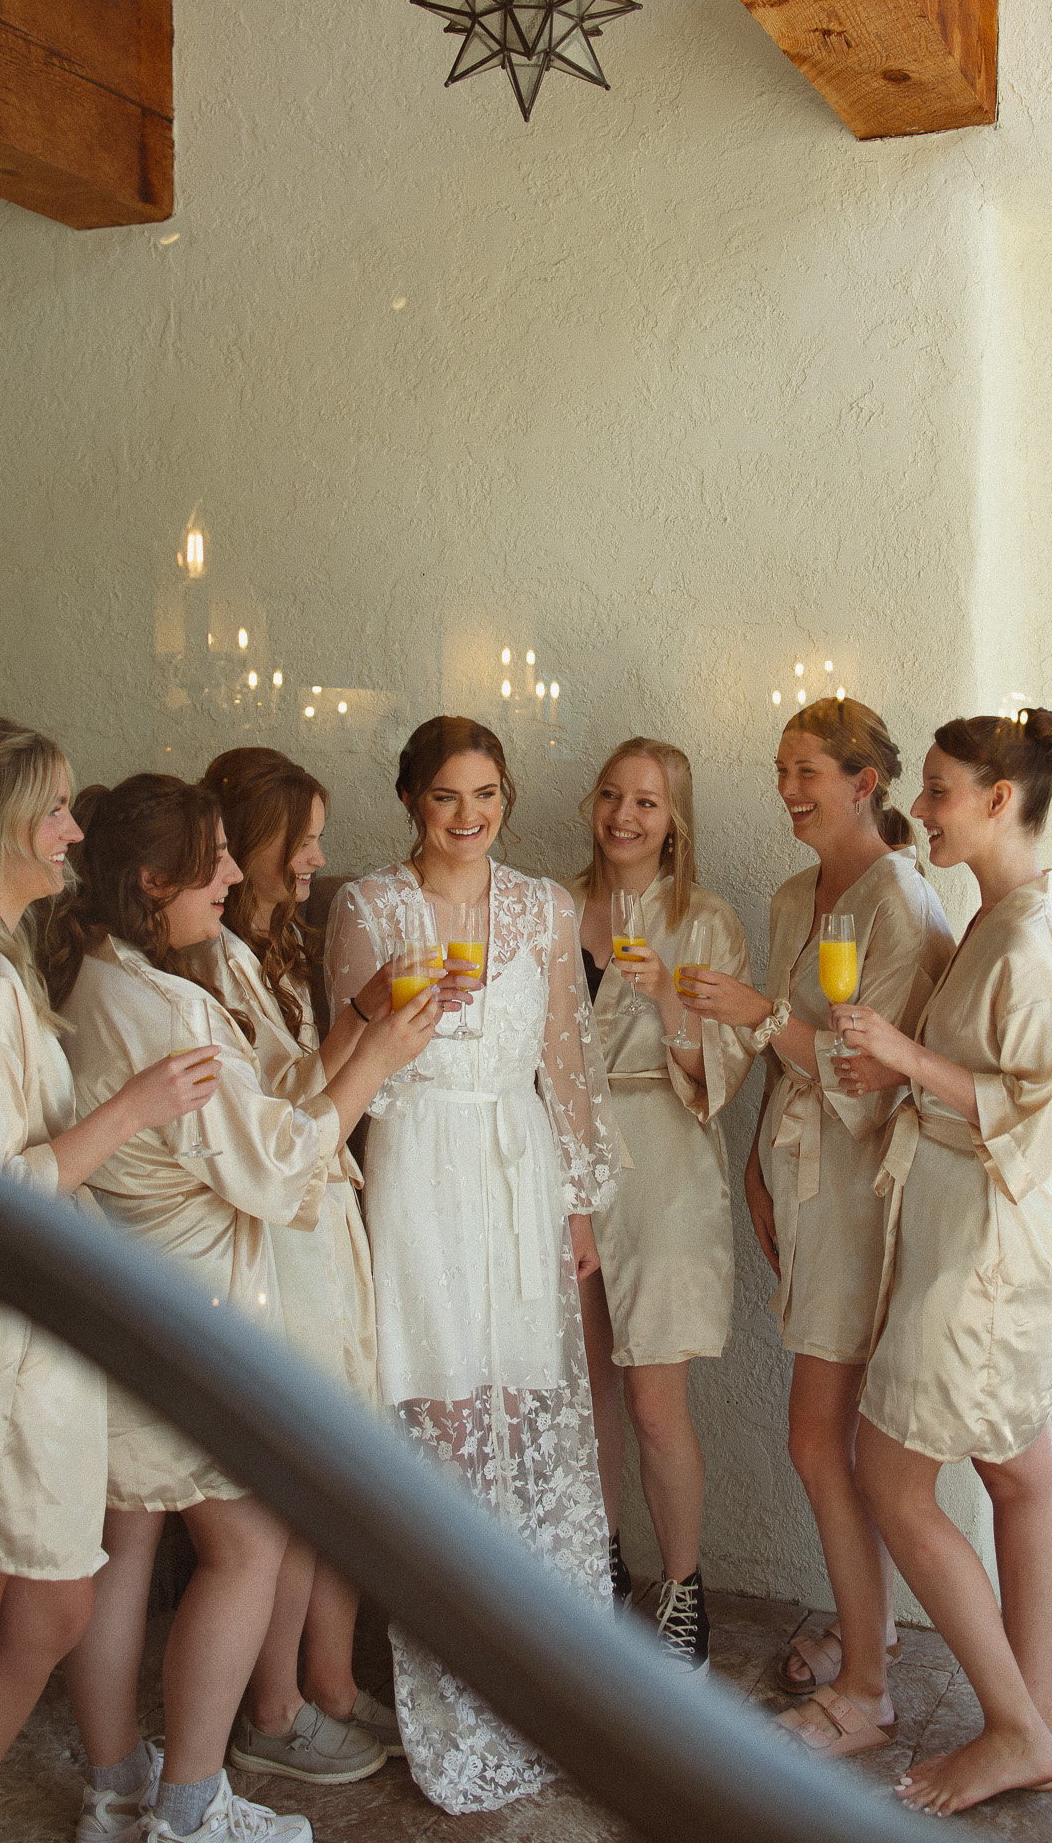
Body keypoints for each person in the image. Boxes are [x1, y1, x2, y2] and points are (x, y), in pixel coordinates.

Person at [49, 774, 434, 1843]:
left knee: (124, 1549)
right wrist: (387, 1056)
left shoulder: (96, 976)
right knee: (249, 1547)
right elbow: (273, 1160)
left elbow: (265, 1099)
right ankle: (189, 1809)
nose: (231, 874)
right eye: (213, 858)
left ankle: (114, 1786)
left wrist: (357, 1023)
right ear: (151, 879)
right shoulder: (168, 1004)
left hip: (122, 1295)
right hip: (195, 1308)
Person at [0, 717, 206, 1843]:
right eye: (58, 806)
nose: (76, 828)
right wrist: (138, 1107)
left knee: (56, 1603)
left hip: (30, 1334)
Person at [325, 716, 621, 1815]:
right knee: (443, 1424)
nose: (468, 814)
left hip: (517, 1168)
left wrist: (579, 1203)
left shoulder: (546, 907)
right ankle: (453, 1693)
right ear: (411, 798)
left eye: (487, 793)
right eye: (448, 794)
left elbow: (566, 1062)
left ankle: (548, 1684)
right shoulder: (369, 905)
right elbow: (347, 1064)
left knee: (524, 1404)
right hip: (417, 1170)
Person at [836, 710, 1052, 1816]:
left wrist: (901, 1056)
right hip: (970, 1228)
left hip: (989, 1247)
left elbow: (1045, 1122)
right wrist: (896, 1072)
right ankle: (1025, 1720)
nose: (922, 809)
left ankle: (1013, 1730)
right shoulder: (1002, 914)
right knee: (1017, 1474)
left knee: (892, 1476)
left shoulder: (1032, 941)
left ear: (998, 799)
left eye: (938, 791)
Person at [690, 698, 953, 1759]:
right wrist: (754, 1161)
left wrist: (754, 1011)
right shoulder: (801, 889)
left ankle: (868, 1685)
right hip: (797, 1181)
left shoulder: (904, 903)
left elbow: (862, 1080)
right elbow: (791, 1062)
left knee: (815, 1435)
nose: (791, 790)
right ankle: (867, 1627)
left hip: (856, 1197)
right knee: (830, 1438)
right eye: (781, 769)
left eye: (810, 771)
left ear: (865, 780)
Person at [194, 747, 401, 1787]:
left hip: (318, 1221)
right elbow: (277, 1121)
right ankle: (269, 1705)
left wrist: (362, 1014)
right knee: (293, 1478)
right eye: (302, 840)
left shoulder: (276, 943)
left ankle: (319, 1679)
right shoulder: (207, 964)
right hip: (277, 1233)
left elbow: (292, 1076)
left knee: (329, 1471)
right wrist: (376, 1047)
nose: (317, 858)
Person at [569, 737, 756, 1672]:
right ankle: (596, 1569)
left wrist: (668, 1005)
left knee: (652, 1402)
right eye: (612, 796)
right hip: (568, 1164)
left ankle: (682, 1592)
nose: (625, 817)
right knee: (586, 1391)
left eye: (647, 802)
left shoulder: (706, 921)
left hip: (666, 1167)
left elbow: (719, 1074)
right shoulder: (551, 909)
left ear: (674, 819)